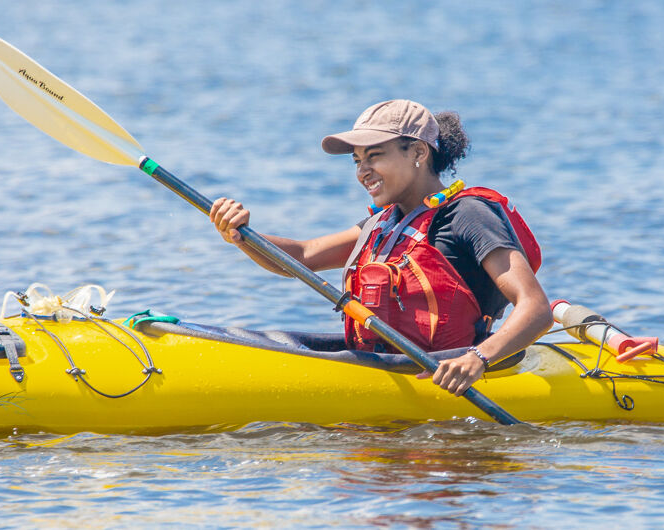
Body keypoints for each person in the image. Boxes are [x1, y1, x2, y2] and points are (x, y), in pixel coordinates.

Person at [209, 99, 553, 397]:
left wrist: (478, 358)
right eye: (357, 160)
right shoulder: (383, 223)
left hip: (451, 377)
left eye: (374, 156)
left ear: (418, 152)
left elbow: (536, 308)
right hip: (384, 367)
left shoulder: (468, 215)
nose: (363, 171)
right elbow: (301, 256)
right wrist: (241, 235)